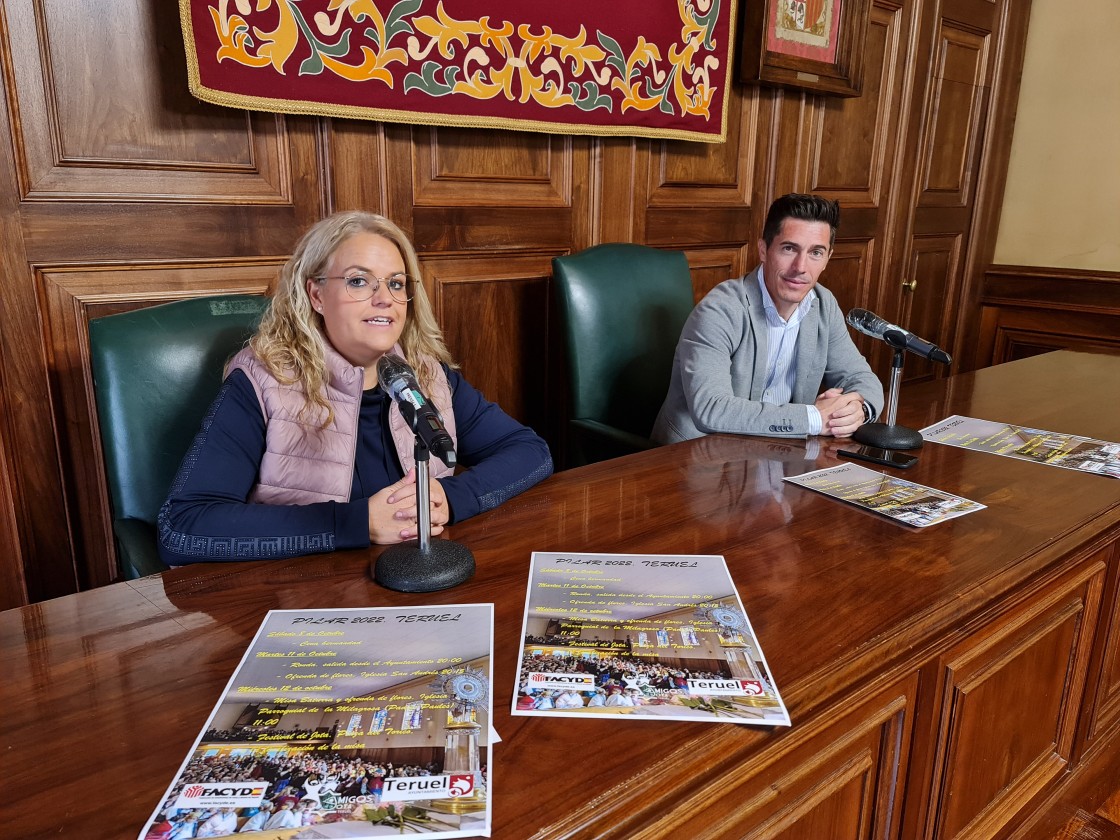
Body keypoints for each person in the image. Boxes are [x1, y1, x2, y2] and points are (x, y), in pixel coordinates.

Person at [158, 211, 553, 563]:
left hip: (419, 590)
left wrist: (451, 499)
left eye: (396, 284)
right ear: (316, 294)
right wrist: (357, 522)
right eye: (359, 281)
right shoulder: (262, 381)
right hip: (303, 607)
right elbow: (185, 525)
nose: (386, 300)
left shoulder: (424, 374)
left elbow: (530, 451)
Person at [652, 194, 883, 443]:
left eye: (816, 252)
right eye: (789, 248)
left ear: (827, 259)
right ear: (764, 250)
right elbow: (711, 409)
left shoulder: (823, 304)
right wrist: (814, 418)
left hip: (775, 456)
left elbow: (862, 379)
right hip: (692, 460)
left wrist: (858, 410)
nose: (801, 267)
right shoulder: (720, 309)